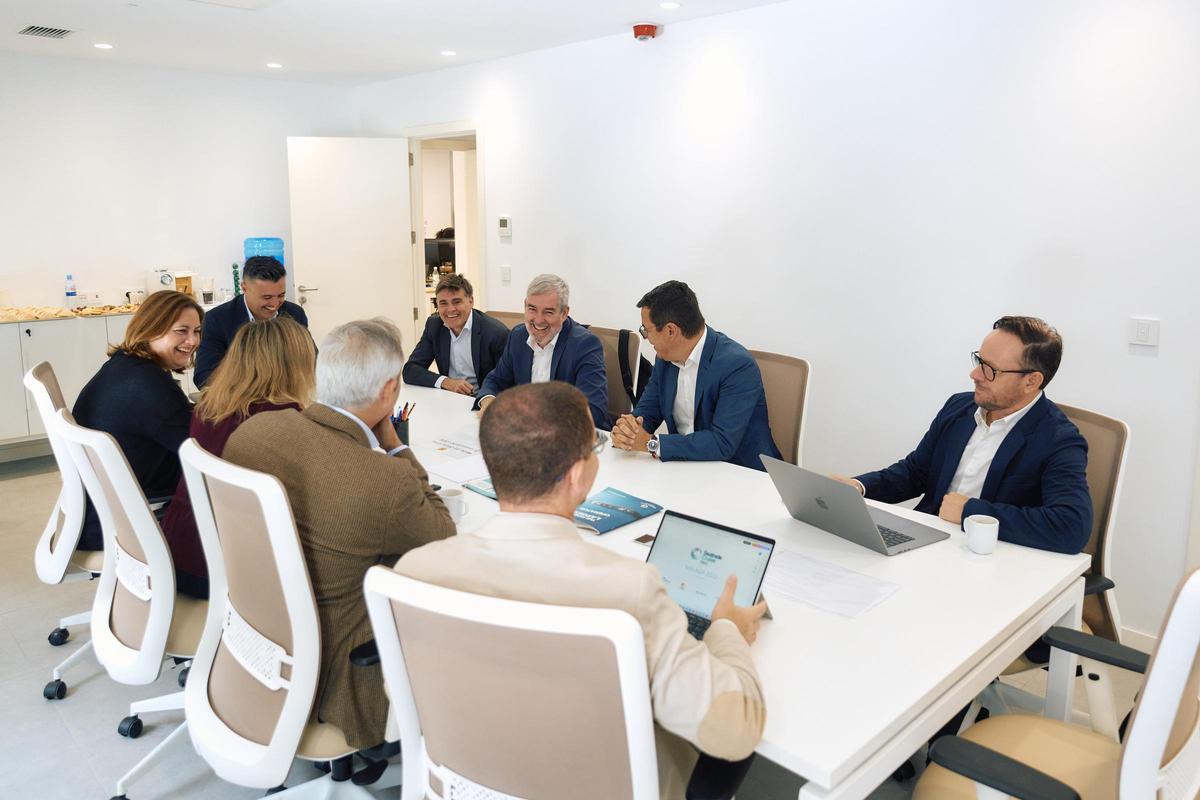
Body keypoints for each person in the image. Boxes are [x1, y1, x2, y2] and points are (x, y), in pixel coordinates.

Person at [395, 382, 767, 800]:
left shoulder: (414, 573)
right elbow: (735, 730)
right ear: (579, 475)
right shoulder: (627, 592)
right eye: (595, 448)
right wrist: (725, 630)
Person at [222, 317, 454, 749]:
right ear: (389, 391)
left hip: (260, 645)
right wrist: (397, 448)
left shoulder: (253, 432)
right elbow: (444, 539)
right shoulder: (383, 480)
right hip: (342, 676)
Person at [835, 316, 1092, 554]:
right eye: (979, 361)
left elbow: (1070, 527)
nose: (975, 375)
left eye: (991, 369)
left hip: (987, 557)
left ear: (1032, 381)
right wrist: (858, 488)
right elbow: (915, 473)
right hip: (927, 543)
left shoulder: (1059, 440)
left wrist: (971, 512)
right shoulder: (959, 408)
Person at [161, 316, 316, 599]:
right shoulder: (282, 418)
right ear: (294, 365)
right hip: (224, 569)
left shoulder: (210, 405)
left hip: (180, 550)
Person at [73, 290, 203, 551]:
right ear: (152, 329)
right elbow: (200, 450)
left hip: (100, 512)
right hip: (125, 520)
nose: (192, 341)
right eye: (181, 331)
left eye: (197, 331)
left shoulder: (123, 367)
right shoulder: (149, 385)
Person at [612, 280, 781, 471]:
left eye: (646, 329)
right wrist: (628, 430)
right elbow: (648, 412)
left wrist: (651, 443)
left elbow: (721, 442)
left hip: (741, 474)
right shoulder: (665, 359)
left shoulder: (737, 366)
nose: (646, 337)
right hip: (687, 469)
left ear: (670, 331)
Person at [475, 273, 609, 429]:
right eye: (532, 309)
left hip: (571, 439)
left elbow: (594, 412)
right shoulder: (518, 336)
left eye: (548, 312)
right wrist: (489, 403)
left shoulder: (585, 344)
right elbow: (495, 380)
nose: (538, 320)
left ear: (564, 313)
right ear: (525, 305)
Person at [193, 255, 309, 387]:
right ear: (244, 287)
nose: (275, 303)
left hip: (287, 396)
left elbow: (311, 362)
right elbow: (204, 375)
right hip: (238, 400)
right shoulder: (218, 319)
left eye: (281, 295)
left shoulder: (295, 314)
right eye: (267, 297)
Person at [401, 274, 509, 395]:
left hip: (482, 400)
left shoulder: (495, 332)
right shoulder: (434, 326)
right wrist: (446, 382)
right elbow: (410, 370)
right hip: (449, 397)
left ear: (471, 301)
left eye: (456, 301)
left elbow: (506, 381)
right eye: (443, 303)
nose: (450, 309)